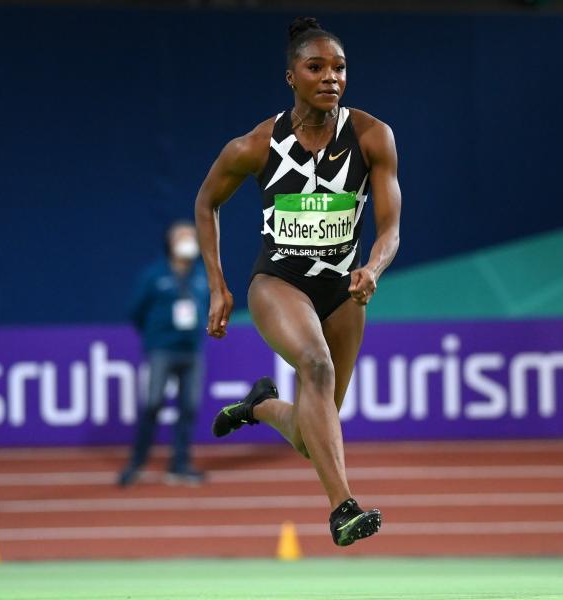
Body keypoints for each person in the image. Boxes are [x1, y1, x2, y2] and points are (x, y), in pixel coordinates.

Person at [193, 17, 401, 547]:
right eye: (317, 67)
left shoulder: (372, 136)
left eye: (340, 68)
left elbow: (390, 227)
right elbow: (206, 202)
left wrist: (372, 269)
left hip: (344, 289)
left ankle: (259, 405)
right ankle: (343, 508)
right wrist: (218, 284)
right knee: (314, 363)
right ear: (291, 77)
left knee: (315, 436)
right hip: (279, 280)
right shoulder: (257, 145)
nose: (331, 77)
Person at [118, 221, 211, 487]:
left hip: (192, 350)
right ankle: (137, 463)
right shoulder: (154, 275)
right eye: (183, 236)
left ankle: (179, 464)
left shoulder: (201, 275)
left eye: (191, 236)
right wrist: (154, 336)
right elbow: (136, 311)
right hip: (162, 350)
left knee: (189, 408)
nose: (188, 241)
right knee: (153, 404)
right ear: (170, 243)